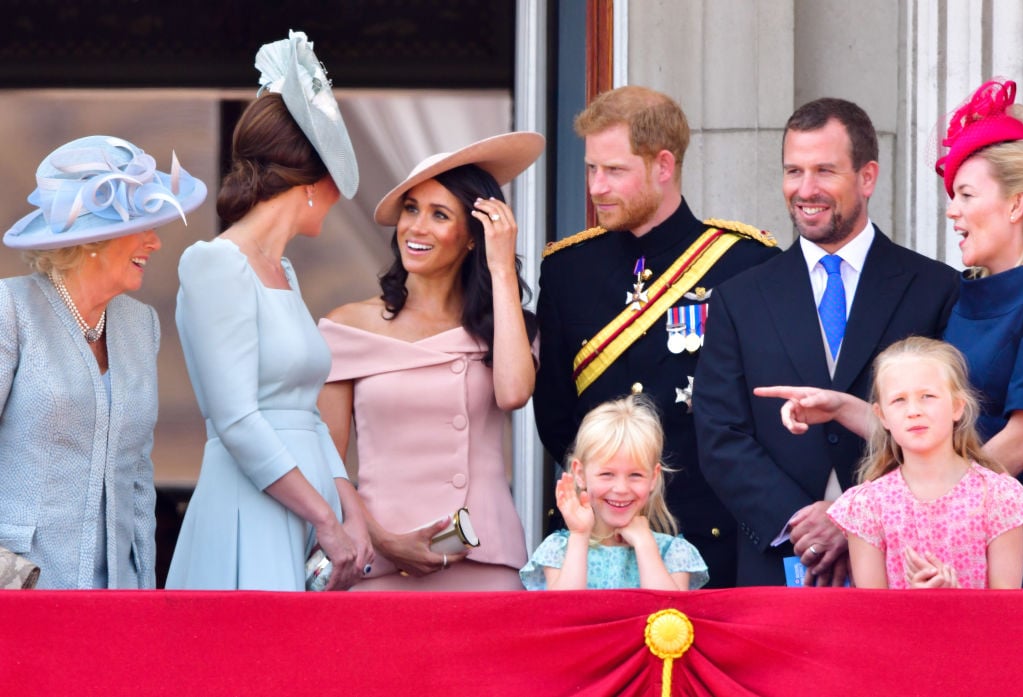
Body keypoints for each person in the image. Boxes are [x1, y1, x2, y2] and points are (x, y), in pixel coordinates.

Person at [692, 97, 961, 587]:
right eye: (793, 171)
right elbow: (720, 434)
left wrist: (851, 517)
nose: (805, 189)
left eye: (824, 171)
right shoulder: (739, 298)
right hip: (778, 564)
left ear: (867, 177)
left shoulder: (935, 289)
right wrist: (800, 522)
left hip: (906, 560)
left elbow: (945, 430)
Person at [533, 85, 780, 588]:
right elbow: (557, 414)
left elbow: (760, 412)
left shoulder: (745, 263)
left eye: (615, 171)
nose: (597, 187)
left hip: (709, 534)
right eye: (591, 169)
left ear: (663, 166)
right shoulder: (567, 269)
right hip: (599, 539)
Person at [166, 31, 370, 591]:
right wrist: (325, 518)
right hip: (251, 505)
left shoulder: (286, 272)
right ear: (310, 182)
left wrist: (349, 506)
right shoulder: (213, 263)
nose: (337, 195)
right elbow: (235, 418)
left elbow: (305, 411)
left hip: (309, 508)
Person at [758, 79, 1023, 481]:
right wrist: (840, 407)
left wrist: (937, 506)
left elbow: (1019, 442)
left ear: (1016, 203)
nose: (952, 211)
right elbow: (930, 427)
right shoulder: (967, 294)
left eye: (966, 195)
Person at [317, 132, 544, 591]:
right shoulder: (347, 326)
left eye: (439, 215)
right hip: (378, 564)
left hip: (485, 564)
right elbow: (326, 462)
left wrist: (501, 266)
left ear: (471, 239)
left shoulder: (510, 329)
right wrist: (382, 540)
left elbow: (514, 393)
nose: (416, 227)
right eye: (411, 209)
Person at [0, 134, 207, 588]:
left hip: (115, 594)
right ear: (93, 238)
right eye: (142, 225)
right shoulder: (10, 311)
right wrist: (10, 576)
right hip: (20, 591)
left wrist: (143, 589)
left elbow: (137, 477)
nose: (155, 242)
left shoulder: (141, 325)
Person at [827, 337, 1023, 589]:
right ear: (882, 416)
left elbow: (1006, 612)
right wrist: (917, 605)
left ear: (957, 407)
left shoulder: (999, 497)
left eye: (927, 396)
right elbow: (873, 615)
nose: (913, 411)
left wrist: (954, 599)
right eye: (899, 400)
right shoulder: (866, 507)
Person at [520, 395, 708, 590]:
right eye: (607, 474)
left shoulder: (673, 553)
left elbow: (669, 614)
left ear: (653, 478)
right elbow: (566, 612)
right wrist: (579, 535)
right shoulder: (559, 550)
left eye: (635, 475)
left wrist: (645, 544)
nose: (621, 489)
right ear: (580, 474)